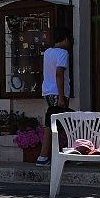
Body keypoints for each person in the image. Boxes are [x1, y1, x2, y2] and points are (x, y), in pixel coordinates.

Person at [36, 26, 72, 165]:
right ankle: (45, 155)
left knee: (54, 122)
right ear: (65, 39)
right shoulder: (63, 53)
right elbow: (59, 73)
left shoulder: (48, 52)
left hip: (48, 91)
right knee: (62, 122)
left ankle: (53, 154)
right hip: (58, 93)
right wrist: (62, 96)